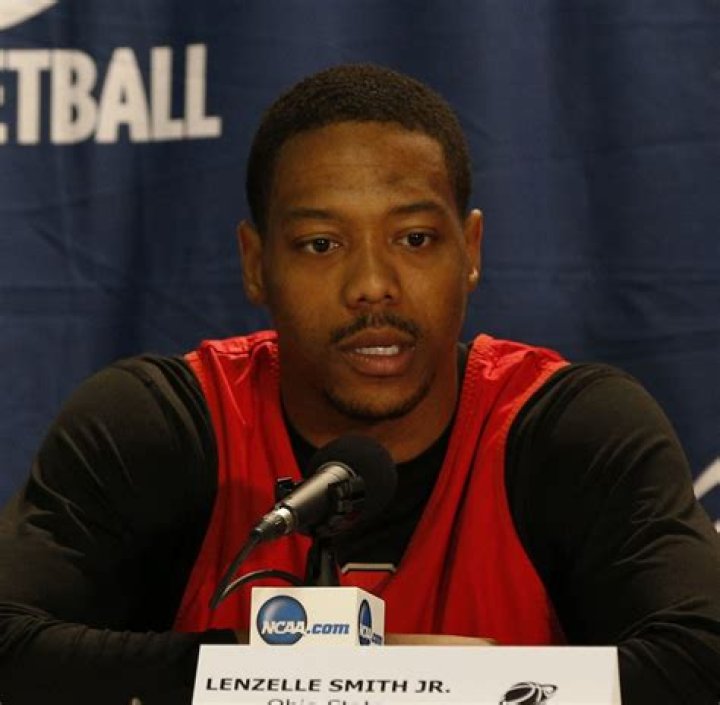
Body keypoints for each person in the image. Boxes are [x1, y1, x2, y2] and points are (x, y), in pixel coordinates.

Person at [1, 63, 719, 705]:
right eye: (322, 244)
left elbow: (703, 661)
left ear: (470, 251)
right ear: (256, 264)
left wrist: (401, 686)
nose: (373, 286)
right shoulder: (160, 422)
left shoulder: (569, 429)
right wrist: (296, 681)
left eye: (414, 239)